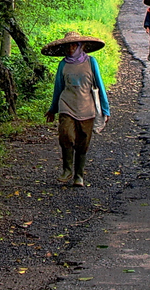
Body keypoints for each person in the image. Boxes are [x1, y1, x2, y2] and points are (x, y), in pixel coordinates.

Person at [42, 30, 110, 187]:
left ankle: (79, 175)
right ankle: (67, 170)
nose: (71, 48)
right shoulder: (63, 65)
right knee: (66, 135)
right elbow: (58, 88)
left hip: (87, 108)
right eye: (69, 45)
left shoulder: (91, 62)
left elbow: (100, 86)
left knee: (82, 142)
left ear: (81, 46)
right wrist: (53, 109)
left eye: (74, 45)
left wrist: (106, 110)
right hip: (67, 105)